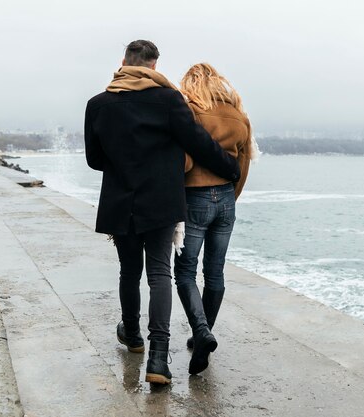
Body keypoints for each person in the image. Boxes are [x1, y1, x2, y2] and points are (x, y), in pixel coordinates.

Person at [84, 41, 240, 385]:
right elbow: (198, 142)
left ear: (124, 62)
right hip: (161, 201)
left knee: (129, 270)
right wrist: (230, 167)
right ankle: (159, 359)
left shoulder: (98, 104)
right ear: (154, 67)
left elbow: (94, 159)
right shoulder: (169, 100)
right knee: (159, 274)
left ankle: (133, 336)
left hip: (119, 200)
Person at [174, 63, 255, 373]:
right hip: (226, 200)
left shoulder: (191, 111)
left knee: (184, 270)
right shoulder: (239, 116)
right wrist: (230, 198)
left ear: (192, 83)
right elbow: (244, 164)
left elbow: (185, 159)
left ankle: (201, 330)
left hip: (195, 197)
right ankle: (201, 338)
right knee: (215, 271)